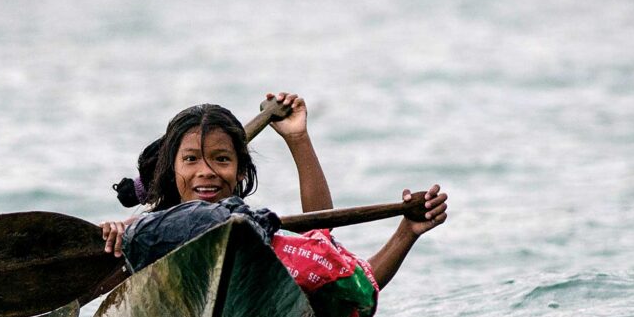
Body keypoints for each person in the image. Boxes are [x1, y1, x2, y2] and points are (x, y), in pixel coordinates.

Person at [101, 92, 447, 289]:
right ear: (171, 169)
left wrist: (407, 232)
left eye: (222, 159)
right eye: (191, 159)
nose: (205, 172)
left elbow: (331, 255)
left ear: (240, 171)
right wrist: (116, 238)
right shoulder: (141, 236)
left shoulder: (259, 235)